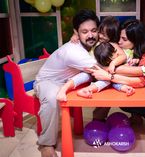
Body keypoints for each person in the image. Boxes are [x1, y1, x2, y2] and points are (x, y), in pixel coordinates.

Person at [33, 9, 100, 157]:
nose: (90, 35)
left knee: (93, 80)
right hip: (48, 81)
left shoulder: (91, 44)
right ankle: (46, 143)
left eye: (94, 30)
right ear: (76, 32)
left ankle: (99, 117)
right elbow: (103, 69)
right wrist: (143, 70)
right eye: (84, 31)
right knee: (52, 98)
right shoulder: (73, 51)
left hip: (67, 81)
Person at [87, 19, 145, 124]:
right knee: (115, 86)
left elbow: (140, 81)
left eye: (124, 39)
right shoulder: (136, 44)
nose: (119, 42)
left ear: (136, 39)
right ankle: (101, 119)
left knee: (118, 89)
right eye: (120, 37)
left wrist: (108, 75)